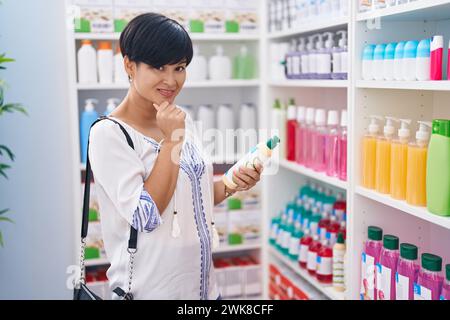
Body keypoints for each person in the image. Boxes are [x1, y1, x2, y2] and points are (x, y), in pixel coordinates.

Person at [88, 12, 263, 300]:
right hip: (152, 293)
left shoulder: (180, 120)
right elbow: (145, 216)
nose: (171, 80)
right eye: (159, 67)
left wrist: (233, 182)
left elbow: (194, 196)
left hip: (205, 290)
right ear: (129, 65)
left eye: (179, 68)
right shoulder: (110, 134)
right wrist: (171, 141)